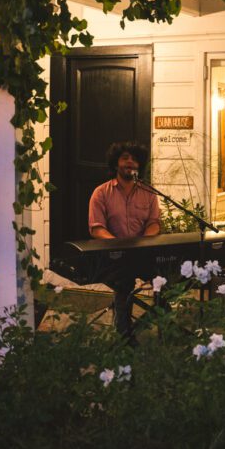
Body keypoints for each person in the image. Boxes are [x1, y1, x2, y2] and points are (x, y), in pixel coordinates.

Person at [88, 141, 160, 335]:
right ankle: (124, 335)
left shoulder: (149, 193)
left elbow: (154, 222)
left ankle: (148, 325)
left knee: (165, 280)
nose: (130, 163)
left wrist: (144, 243)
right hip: (115, 257)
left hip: (142, 254)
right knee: (124, 285)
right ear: (115, 163)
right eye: (125, 158)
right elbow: (96, 228)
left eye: (135, 159)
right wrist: (119, 245)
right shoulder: (101, 193)